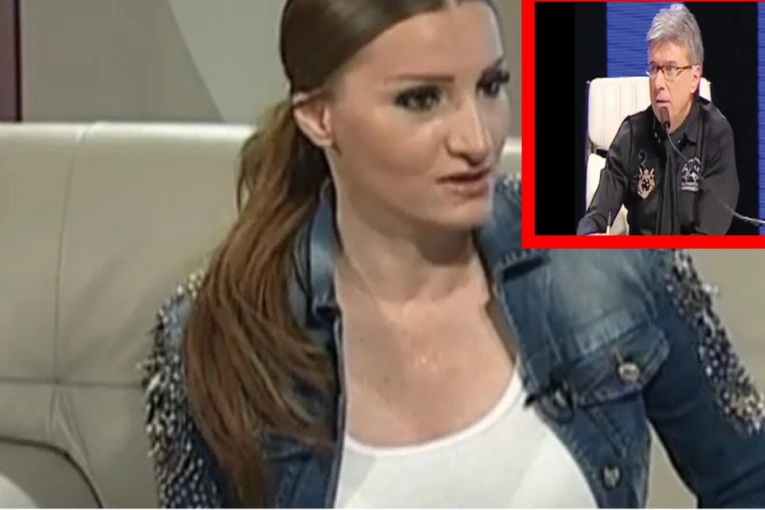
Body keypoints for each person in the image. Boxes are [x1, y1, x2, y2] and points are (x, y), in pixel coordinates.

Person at [141, 0, 765, 507]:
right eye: (421, 99)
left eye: (491, 86)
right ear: (318, 117)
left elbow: (749, 479)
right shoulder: (217, 333)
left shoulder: (606, 253)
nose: (477, 138)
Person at [577, 4, 739, 236]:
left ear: (694, 78)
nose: (658, 83)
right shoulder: (632, 134)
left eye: (670, 69)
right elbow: (594, 219)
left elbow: (707, 240)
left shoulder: (716, 136)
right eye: (654, 68)